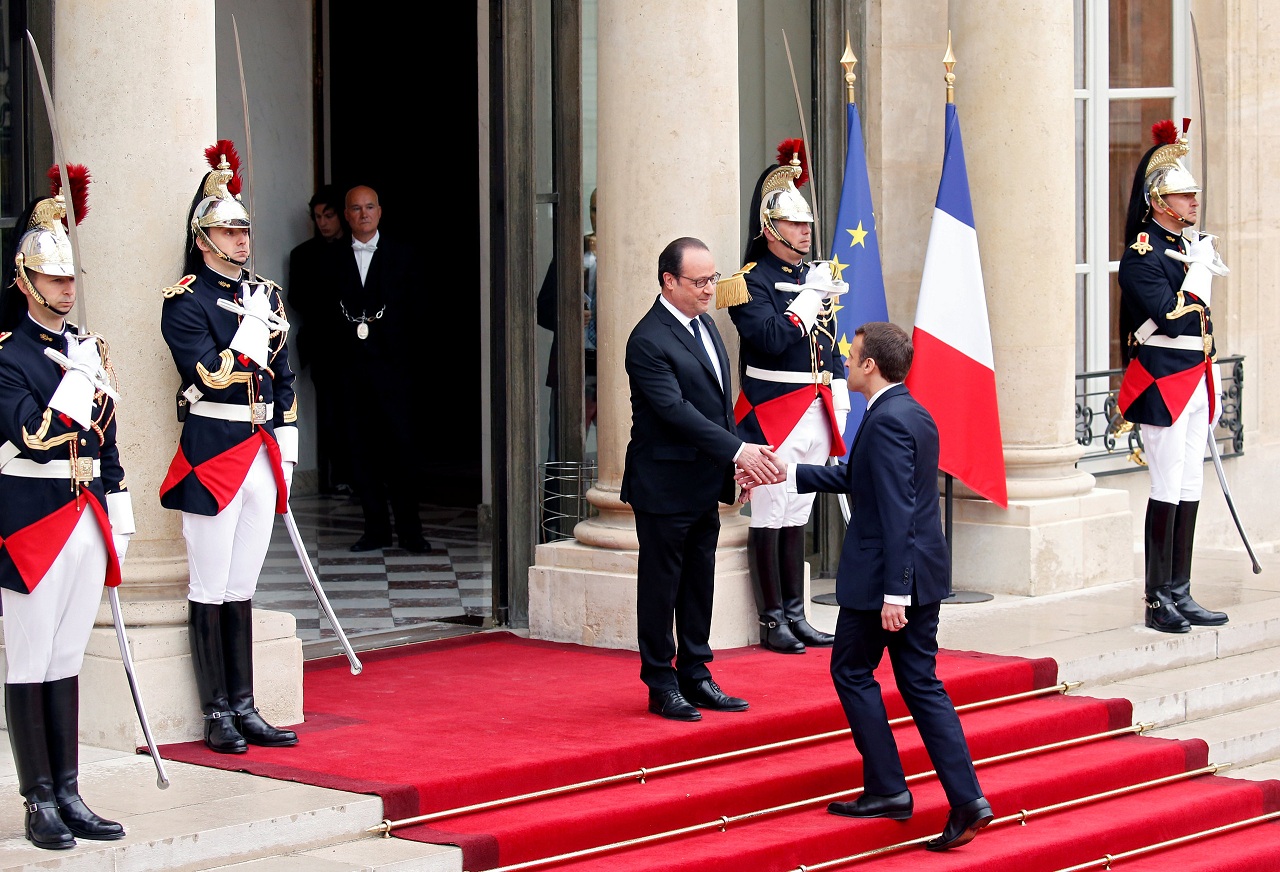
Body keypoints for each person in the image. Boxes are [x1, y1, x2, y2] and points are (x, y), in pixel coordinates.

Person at [740, 322, 992, 851]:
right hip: (916, 575)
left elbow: (899, 509)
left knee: (852, 671)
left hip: (886, 582)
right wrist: (787, 473)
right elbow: (861, 479)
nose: (846, 362)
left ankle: (890, 789)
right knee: (920, 684)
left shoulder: (887, 421)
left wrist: (895, 594)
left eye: (852, 355)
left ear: (871, 365)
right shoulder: (909, 412)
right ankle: (964, 798)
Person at [0, 165, 129, 848]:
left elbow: (107, 439)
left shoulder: (85, 349)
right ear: (25, 282)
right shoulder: (8, 357)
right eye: (54, 279)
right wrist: (79, 379)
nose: (67, 289)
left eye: (71, 278)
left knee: (67, 658)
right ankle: (38, 800)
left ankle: (70, 792)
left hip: (86, 515)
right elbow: (33, 433)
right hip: (31, 523)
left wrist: (120, 507)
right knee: (29, 660)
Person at [159, 140, 300, 754]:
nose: (241, 241)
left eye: (244, 231)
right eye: (227, 232)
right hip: (213, 450)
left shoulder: (265, 293)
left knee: (243, 585)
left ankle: (245, 705)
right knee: (209, 584)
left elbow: (284, 375)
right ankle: (215, 711)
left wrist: (286, 445)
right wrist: (248, 329)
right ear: (203, 239)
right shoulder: (185, 301)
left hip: (261, 448)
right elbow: (209, 374)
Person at [621, 236, 780, 722]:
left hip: (704, 481)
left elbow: (718, 409)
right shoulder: (647, 339)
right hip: (663, 485)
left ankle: (696, 672)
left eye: (713, 278)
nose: (711, 289)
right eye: (700, 281)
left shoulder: (706, 324)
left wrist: (734, 465)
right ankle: (660, 683)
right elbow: (675, 411)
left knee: (698, 583)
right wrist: (739, 451)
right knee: (661, 587)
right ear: (669, 281)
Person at [718, 141, 844, 655]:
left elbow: (828, 344)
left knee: (798, 513)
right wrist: (811, 297)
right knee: (770, 513)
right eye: (795, 223)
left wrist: (838, 394)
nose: (806, 231)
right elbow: (770, 338)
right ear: (770, 228)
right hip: (772, 412)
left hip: (814, 410)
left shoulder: (809, 275)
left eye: (807, 223)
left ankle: (797, 612)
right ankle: (772, 620)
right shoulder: (748, 283)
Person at [1117, 119, 1230, 634]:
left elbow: (1201, 327)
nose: (1193, 202)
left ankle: (1180, 590)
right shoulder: (1143, 254)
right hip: (1162, 383)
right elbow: (1171, 317)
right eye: (1184, 196)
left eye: (1193, 194)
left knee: (1189, 482)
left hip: (1194, 378)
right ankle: (1156, 597)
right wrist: (1200, 270)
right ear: (1159, 202)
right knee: (1165, 485)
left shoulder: (1183, 247)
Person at [332, 184, 428, 553]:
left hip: (395, 372)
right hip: (350, 373)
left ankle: (411, 531)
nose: (363, 214)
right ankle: (375, 530)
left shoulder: (404, 255)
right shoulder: (332, 258)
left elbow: (419, 313)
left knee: (402, 451)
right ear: (347, 215)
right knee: (361, 452)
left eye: (369, 207)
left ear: (380, 212)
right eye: (356, 208)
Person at [287, 184, 353, 497]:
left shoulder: (357, 249)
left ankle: (365, 473)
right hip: (324, 344)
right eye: (318, 217)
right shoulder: (303, 254)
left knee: (360, 410)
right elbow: (297, 298)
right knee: (330, 411)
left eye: (329, 215)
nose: (323, 222)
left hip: (357, 345)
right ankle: (339, 475)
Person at [537, 187, 599, 463]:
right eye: (594, 209)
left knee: (623, 453)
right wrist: (569, 319)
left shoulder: (627, 255)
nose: (599, 216)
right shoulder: (571, 250)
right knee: (563, 454)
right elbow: (543, 309)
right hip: (574, 366)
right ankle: (560, 494)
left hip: (613, 368)